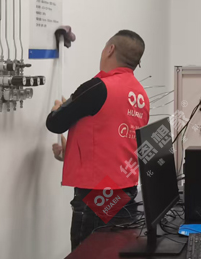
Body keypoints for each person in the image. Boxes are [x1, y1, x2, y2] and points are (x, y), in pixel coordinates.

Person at [45, 30, 148, 250]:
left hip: (96, 197)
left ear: (110, 49)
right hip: (127, 192)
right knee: (116, 251)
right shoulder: (141, 96)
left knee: (89, 253)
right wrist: (70, 153)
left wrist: (58, 109)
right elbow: (113, 138)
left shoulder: (97, 87)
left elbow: (54, 123)